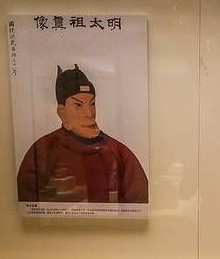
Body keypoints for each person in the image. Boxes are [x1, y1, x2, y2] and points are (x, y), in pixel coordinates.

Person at [17, 64, 148, 204]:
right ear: (62, 112)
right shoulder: (44, 149)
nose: (89, 113)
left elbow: (139, 201)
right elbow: (27, 204)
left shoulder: (118, 152)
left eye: (92, 104)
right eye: (78, 105)